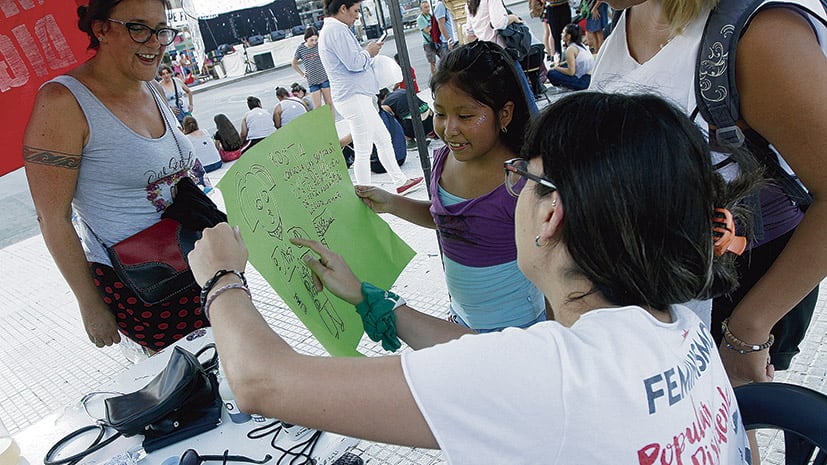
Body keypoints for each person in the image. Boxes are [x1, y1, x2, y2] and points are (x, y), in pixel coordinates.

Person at [189, 92, 755, 463]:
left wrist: (222, 279)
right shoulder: (677, 324)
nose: (514, 195)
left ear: (552, 214)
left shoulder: (552, 378)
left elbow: (261, 382)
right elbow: (500, 359)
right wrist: (370, 300)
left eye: (522, 179)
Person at [590, 0, 826, 386]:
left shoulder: (761, 36)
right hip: (654, 292)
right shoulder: (633, 10)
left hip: (736, 283)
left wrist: (748, 329)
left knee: (728, 431)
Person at [22, 0, 209, 353]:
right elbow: (52, 218)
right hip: (145, 285)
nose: (154, 42)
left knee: (241, 378)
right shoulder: (63, 101)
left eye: (161, 30)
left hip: (197, 260)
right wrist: (90, 305)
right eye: (138, 27)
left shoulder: (149, 86)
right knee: (190, 391)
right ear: (101, 29)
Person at [358, 42, 544, 331]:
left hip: (519, 328)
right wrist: (392, 203)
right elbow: (447, 221)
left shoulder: (522, 182)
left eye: (466, 116)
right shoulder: (444, 159)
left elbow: (554, 265)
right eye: (441, 113)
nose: (449, 128)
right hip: (460, 321)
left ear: (505, 114)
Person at [318, 0, 423, 194]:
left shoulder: (332, 30)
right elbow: (354, 63)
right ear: (343, 8)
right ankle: (365, 191)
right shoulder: (337, 30)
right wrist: (369, 51)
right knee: (364, 147)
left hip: (353, 96)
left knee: (381, 139)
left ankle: (399, 181)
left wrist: (365, 51)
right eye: (356, 10)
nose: (358, 15)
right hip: (353, 97)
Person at [464, 0, 539, 114]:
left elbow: (469, 31)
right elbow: (499, 23)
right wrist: (513, 18)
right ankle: (536, 124)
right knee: (524, 93)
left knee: (503, 97)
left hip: (487, 54)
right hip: (503, 52)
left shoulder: (470, 3)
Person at [291, 26, 334, 114]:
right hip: (312, 81)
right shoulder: (301, 49)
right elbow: (294, 63)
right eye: (311, 40)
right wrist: (302, 74)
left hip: (324, 78)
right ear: (306, 39)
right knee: (317, 107)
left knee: (329, 103)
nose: (314, 42)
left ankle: (332, 124)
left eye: (316, 40)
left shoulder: (320, 45)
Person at [546, 23, 593, 91]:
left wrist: (556, 68)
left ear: (568, 36)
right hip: (591, 77)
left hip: (582, 82)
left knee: (551, 73)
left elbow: (571, 72)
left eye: (563, 33)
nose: (561, 34)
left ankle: (566, 86)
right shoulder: (581, 45)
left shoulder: (570, 49)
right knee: (563, 66)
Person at [417, 0, 439, 73]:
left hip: (435, 40)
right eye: (425, 7)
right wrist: (433, 25)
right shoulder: (420, 18)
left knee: (443, 56)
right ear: (421, 9)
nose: (428, 9)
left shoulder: (430, 15)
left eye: (428, 7)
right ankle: (434, 76)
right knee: (432, 62)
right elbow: (426, 30)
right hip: (428, 42)